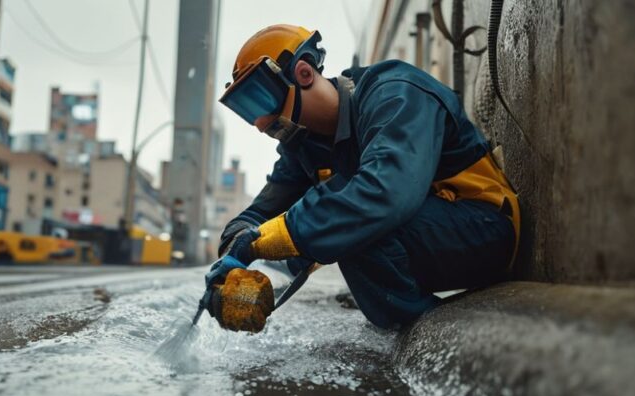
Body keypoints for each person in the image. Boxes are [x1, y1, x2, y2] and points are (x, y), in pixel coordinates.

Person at [210, 24, 520, 329]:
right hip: (426, 237)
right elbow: (263, 214)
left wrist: (282, 234)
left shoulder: (395, 92)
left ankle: (428, 329)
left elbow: (387, 193)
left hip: (486, 228)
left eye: (260, 99)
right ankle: (405, 322)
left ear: (303, 73)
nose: (261, 124)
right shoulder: (304, 146)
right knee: (333, 223)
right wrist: (231, 262)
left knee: (352, 225)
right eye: (248, 110)